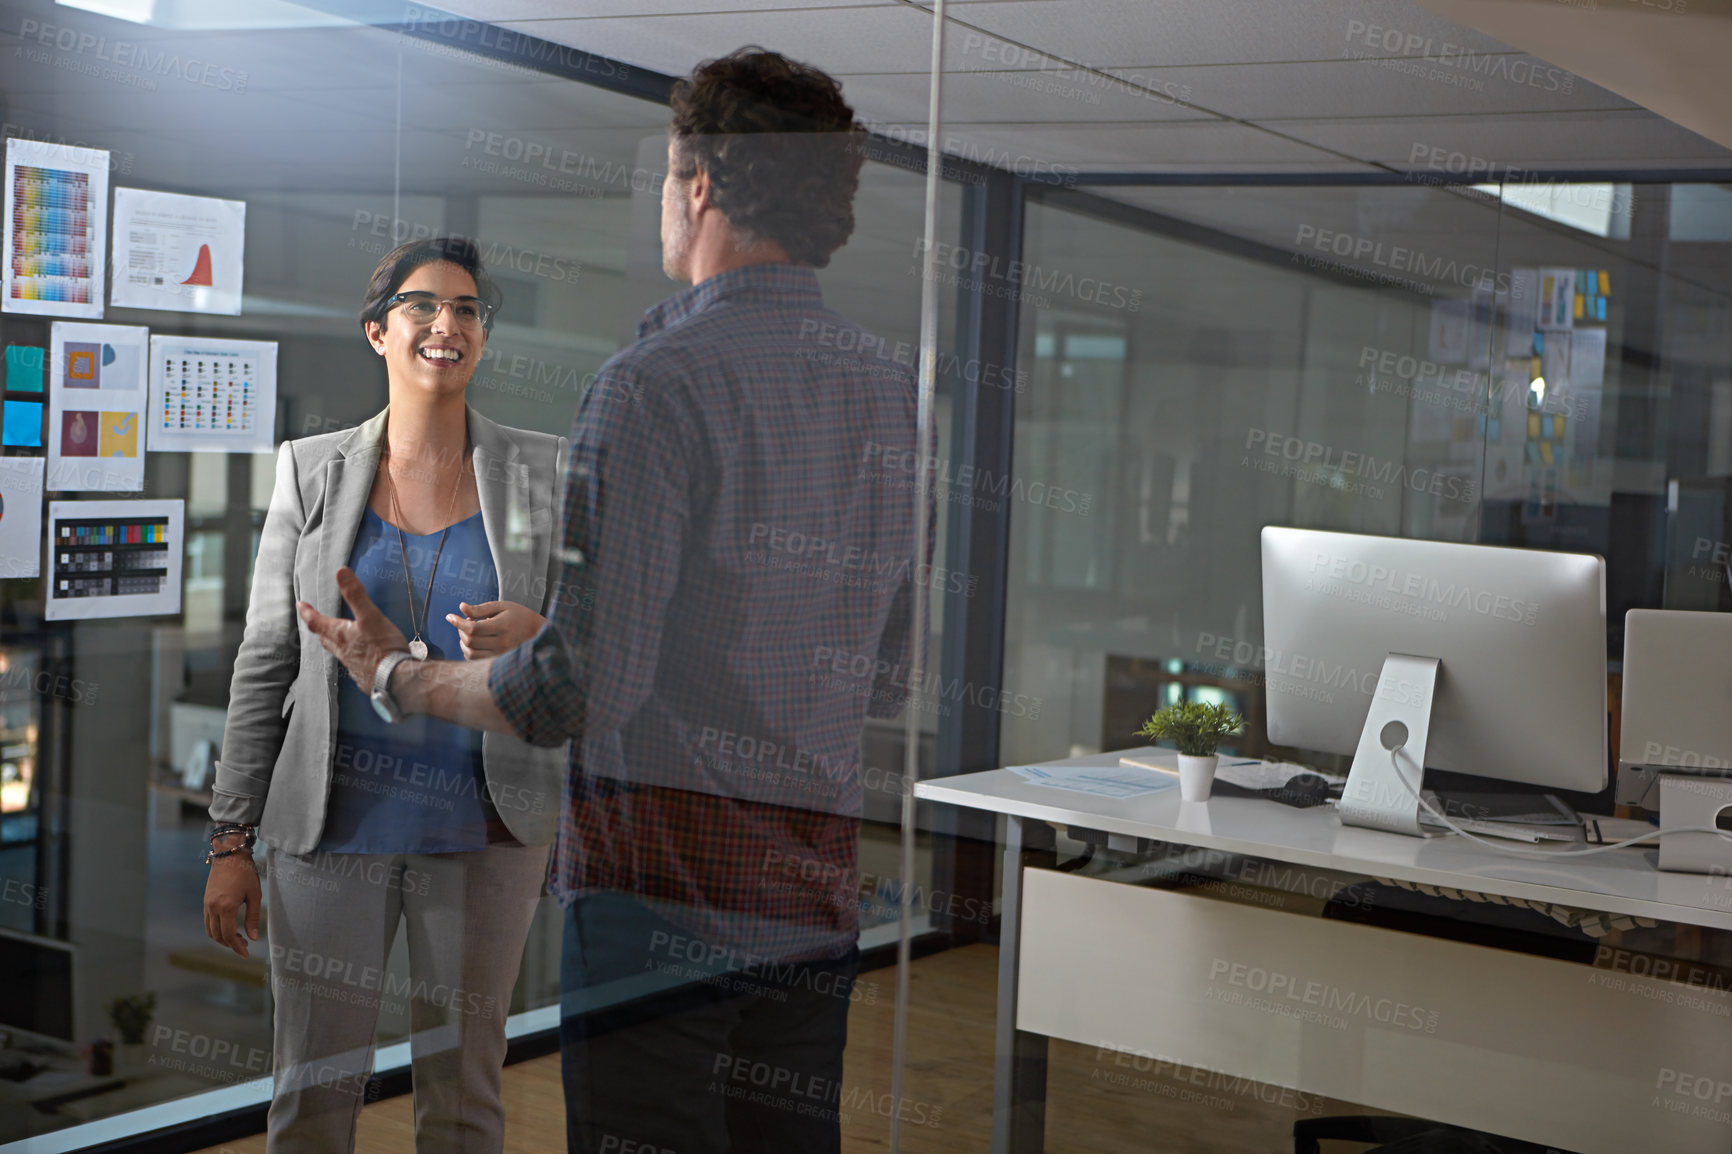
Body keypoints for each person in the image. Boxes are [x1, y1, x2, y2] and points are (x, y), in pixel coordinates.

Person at [302, 48, 923, 1153]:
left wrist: (401, 673)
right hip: (813, 899)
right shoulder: (881, 383)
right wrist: (585, 635)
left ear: (698, 188)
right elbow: (876, 667)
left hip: (667, 903)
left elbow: (579, 692)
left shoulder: (652, 386)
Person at [205, 235, 568, 1153]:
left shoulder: (542, 472)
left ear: (482, 336)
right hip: (331, 833)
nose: (447, 325)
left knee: (466, 1098)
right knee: (314, 1099)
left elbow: (594, 649)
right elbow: (265, 661)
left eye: (467, 310)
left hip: (485, 835)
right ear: (379, 333)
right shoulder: (309, 468)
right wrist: (229, 835)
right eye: (423, 306)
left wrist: (537, 634)